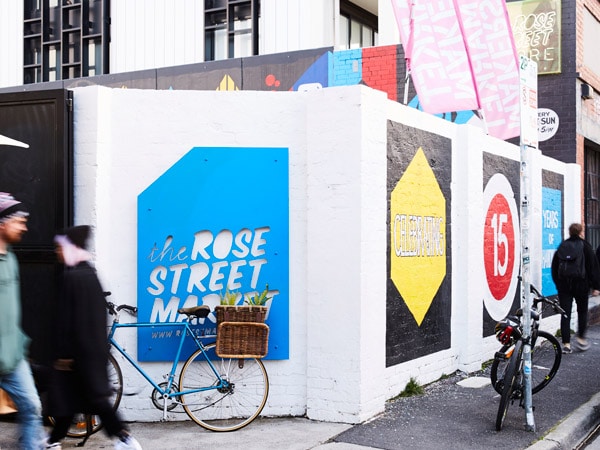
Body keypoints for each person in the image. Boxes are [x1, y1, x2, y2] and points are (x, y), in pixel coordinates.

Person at [46, 225, 142, 450]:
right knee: (73, 402)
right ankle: (52, 442)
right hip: (87, 353)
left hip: (80, 355)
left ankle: (125, 439)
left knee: (90, 401)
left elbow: (72, 320)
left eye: (60, 248)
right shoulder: (86, 272)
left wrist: (66, 354)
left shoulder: (76, 277)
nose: (57, 252)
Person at [0, 192, 47, 450]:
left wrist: (20, 344)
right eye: (19, 221)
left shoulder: (11, 259)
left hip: (13, 357)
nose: (25, 227)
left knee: (32, 407)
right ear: (3, 222)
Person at [551, 223, 600, 354]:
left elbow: (555, 267)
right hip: (581, 285)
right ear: (580, 232)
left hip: (564, 286)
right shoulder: (586, 247)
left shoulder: (562, 246)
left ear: (569, 231)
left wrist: (559, 284)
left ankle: (566, 344)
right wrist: (596, 286)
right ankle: (581, 338)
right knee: (582, 312)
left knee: (565, 313)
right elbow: (593, 267)